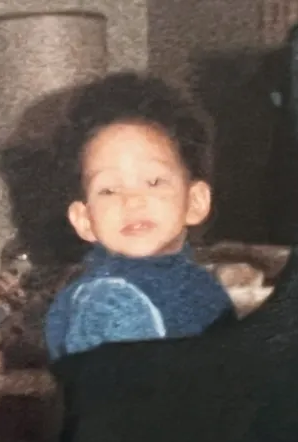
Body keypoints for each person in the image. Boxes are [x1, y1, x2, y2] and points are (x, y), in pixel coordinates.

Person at [44, 71, 235, 361]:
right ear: (84, 220)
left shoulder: (202, 287)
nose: (132, 201)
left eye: (154, 182)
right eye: (108, 190)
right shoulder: (110, 304)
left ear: (195, 201)